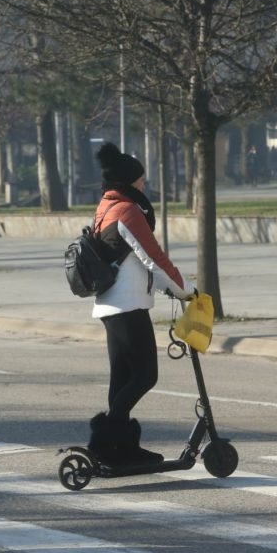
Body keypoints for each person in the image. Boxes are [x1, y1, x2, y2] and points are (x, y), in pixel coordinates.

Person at [87, 143, 196, 465]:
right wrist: (186, 290)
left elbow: (136, 261)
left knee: (122, 380)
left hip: (111, 304)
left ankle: (121, 450)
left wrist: (169, 288)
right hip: (127, 306)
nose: (143, 184)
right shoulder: (127, 211)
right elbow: (153, 258)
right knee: (145, 375)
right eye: (140, 180)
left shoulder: (106, 206)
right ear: (127, 180)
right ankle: (105, 443)